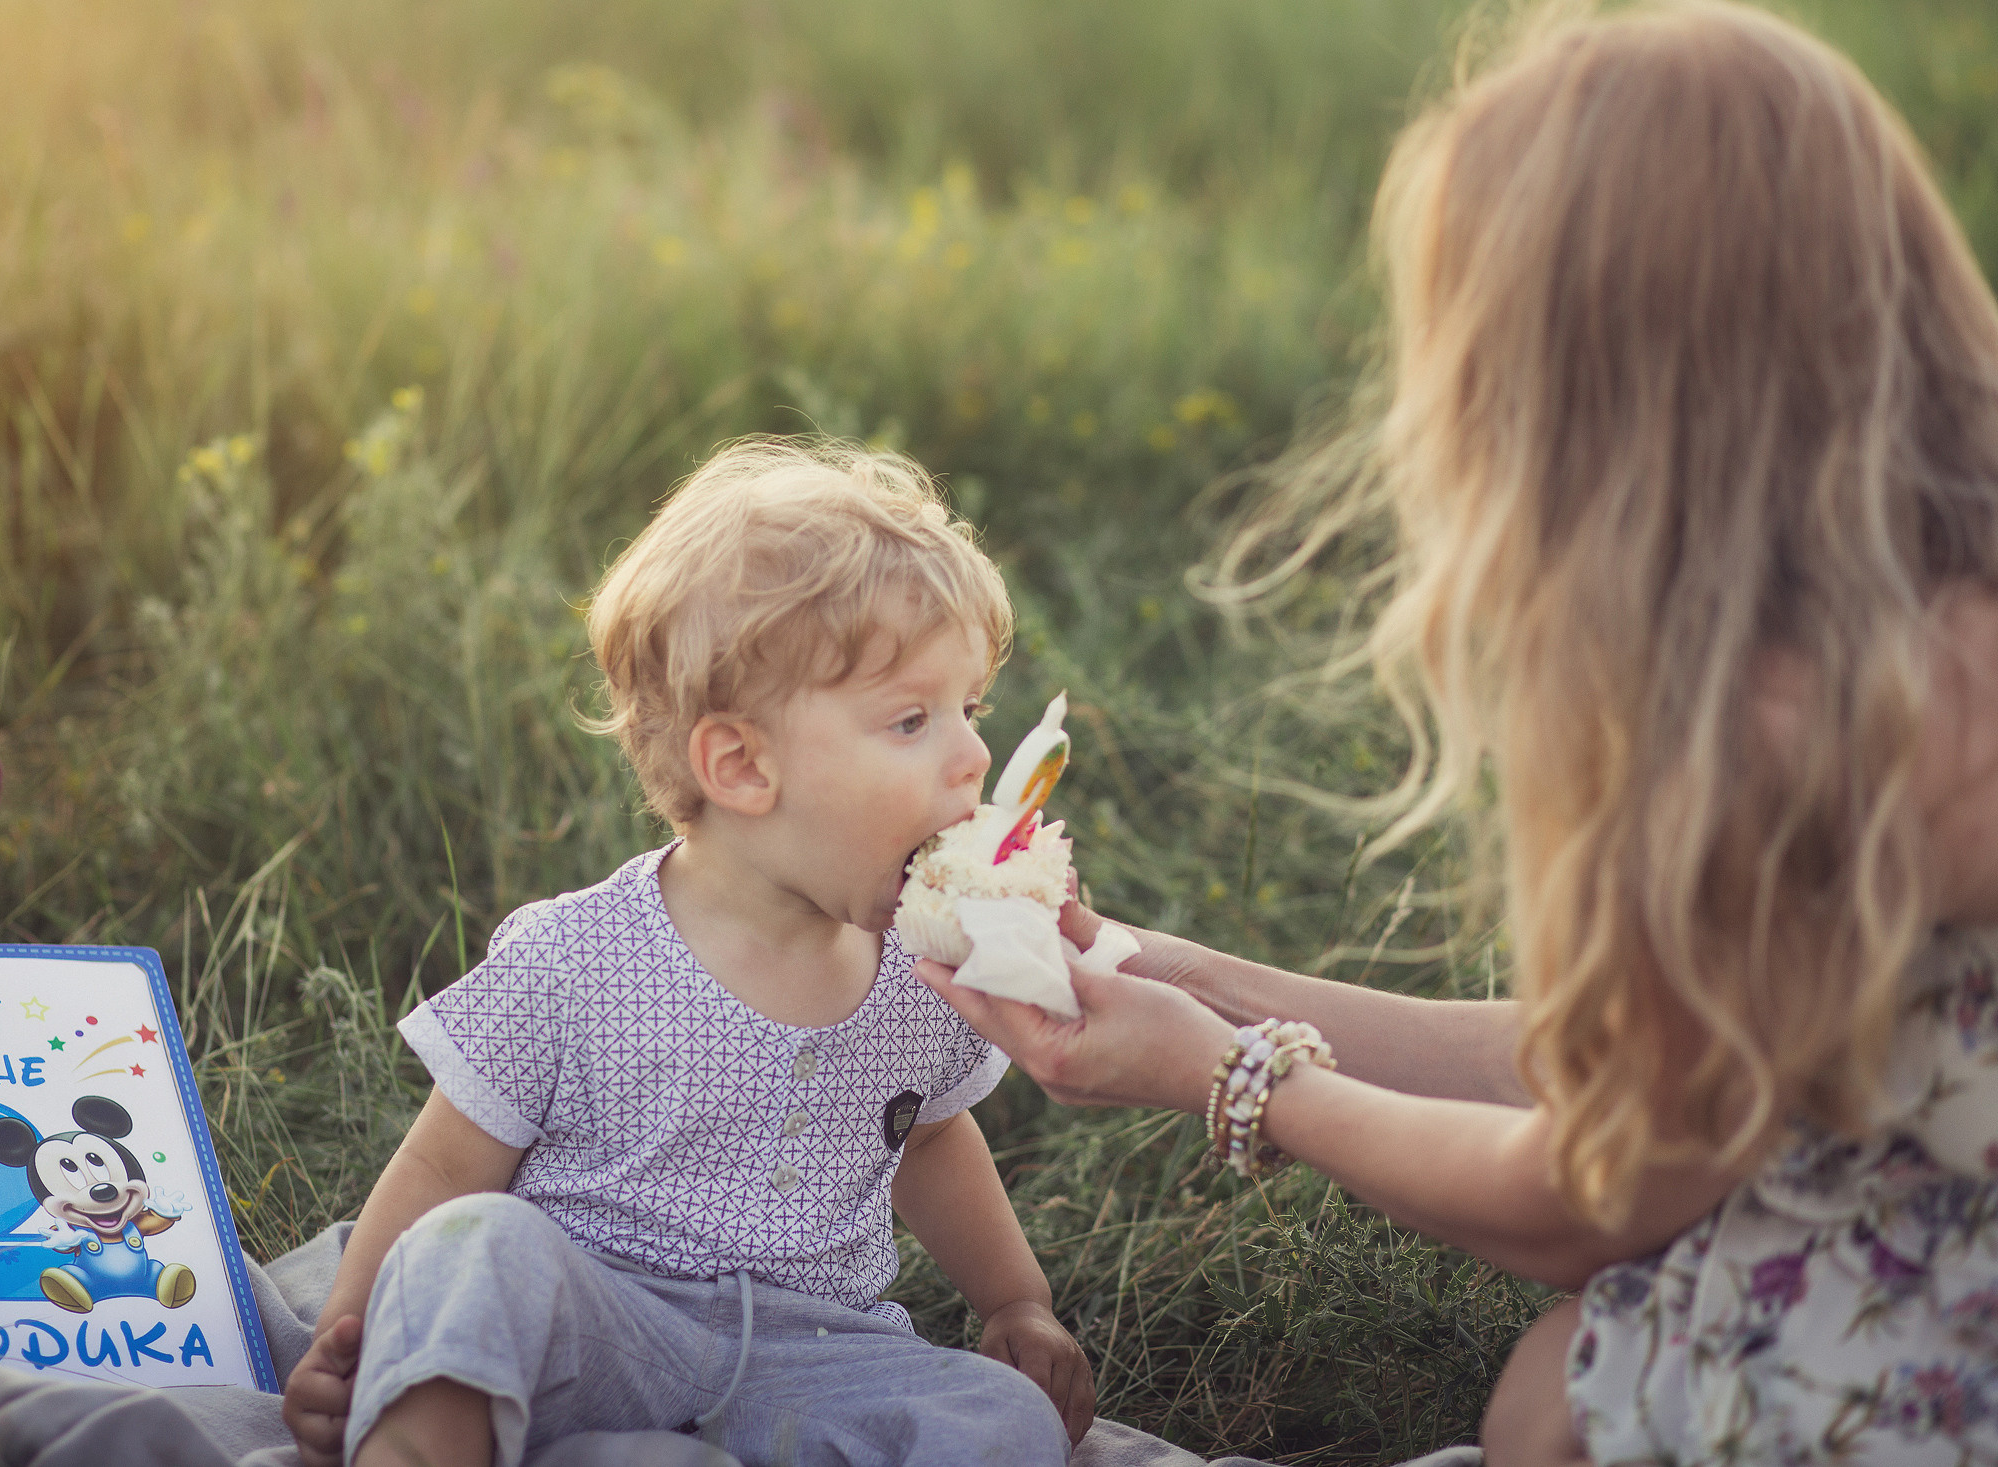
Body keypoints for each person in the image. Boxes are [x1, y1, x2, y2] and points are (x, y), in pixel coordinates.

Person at [919, 5, 1998, 1465]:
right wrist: (1191, 979)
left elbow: (1594, 1193)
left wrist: (1231, 1076)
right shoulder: (1931, 608)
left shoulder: (1791, 713)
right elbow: (1638, 1065)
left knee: (1569, 1376)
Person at [281, 437, 1095, 1467]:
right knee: (478, 1251)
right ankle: (416, 1442)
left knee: (1002, 1421)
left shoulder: (919, 966)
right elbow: (445, 1167)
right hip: (593, 1325)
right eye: (909, 719)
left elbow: (932, 1141)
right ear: (742, 765)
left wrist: (1016, 1300)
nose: (976, 754)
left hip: (813, 1351)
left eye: (969, 710)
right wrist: (347, 1342)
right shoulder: (573, 960)